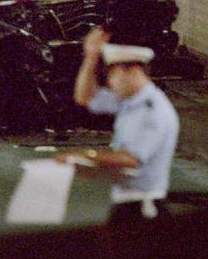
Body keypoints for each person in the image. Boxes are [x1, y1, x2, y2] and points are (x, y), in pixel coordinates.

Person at [68, 27, 179, 224]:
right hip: (127, 204)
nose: (110, 83)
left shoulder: (153, 109)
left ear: (133, 70)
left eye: (113, 75)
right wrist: (90, 58)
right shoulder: (129, 102)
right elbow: (84, 97)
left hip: (144, 210)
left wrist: (87, 156)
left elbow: (131, 159)